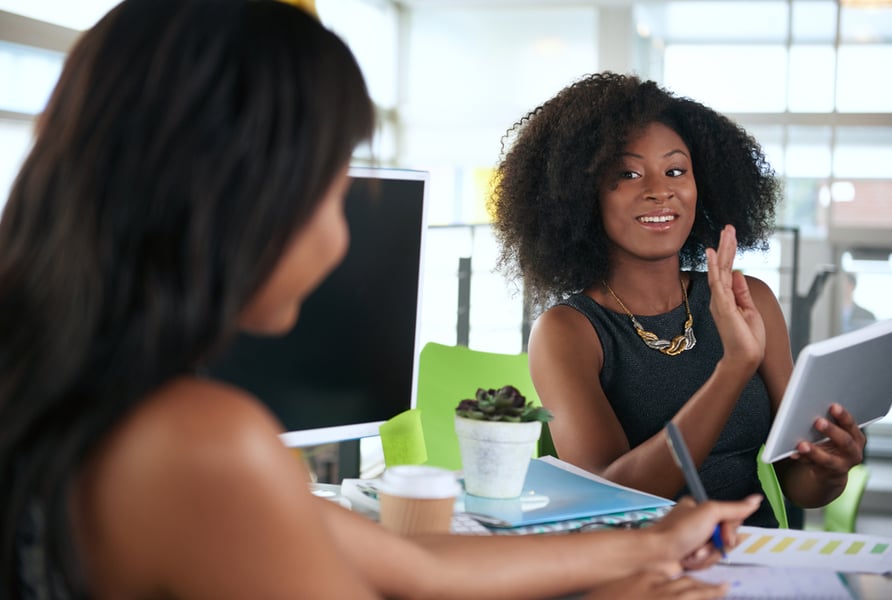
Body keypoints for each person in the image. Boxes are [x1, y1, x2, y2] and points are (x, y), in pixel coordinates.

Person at [0, 3, 762, 598]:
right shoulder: (201, 441)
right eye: (333, 188)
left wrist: (652, 544)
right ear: (235, 199)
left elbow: (415, 566)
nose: (340, 236)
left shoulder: (70, 391)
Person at [490, 72, 866, 529]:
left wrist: (830, 466)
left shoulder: (751, 301)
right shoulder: (567, 332)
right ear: (580, 194)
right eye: (627, 173)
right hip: (645, 571)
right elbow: (610, 496)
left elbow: (800, 486)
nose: (659, 189)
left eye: (675, 171)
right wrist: (732, 369)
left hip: (758, 557)